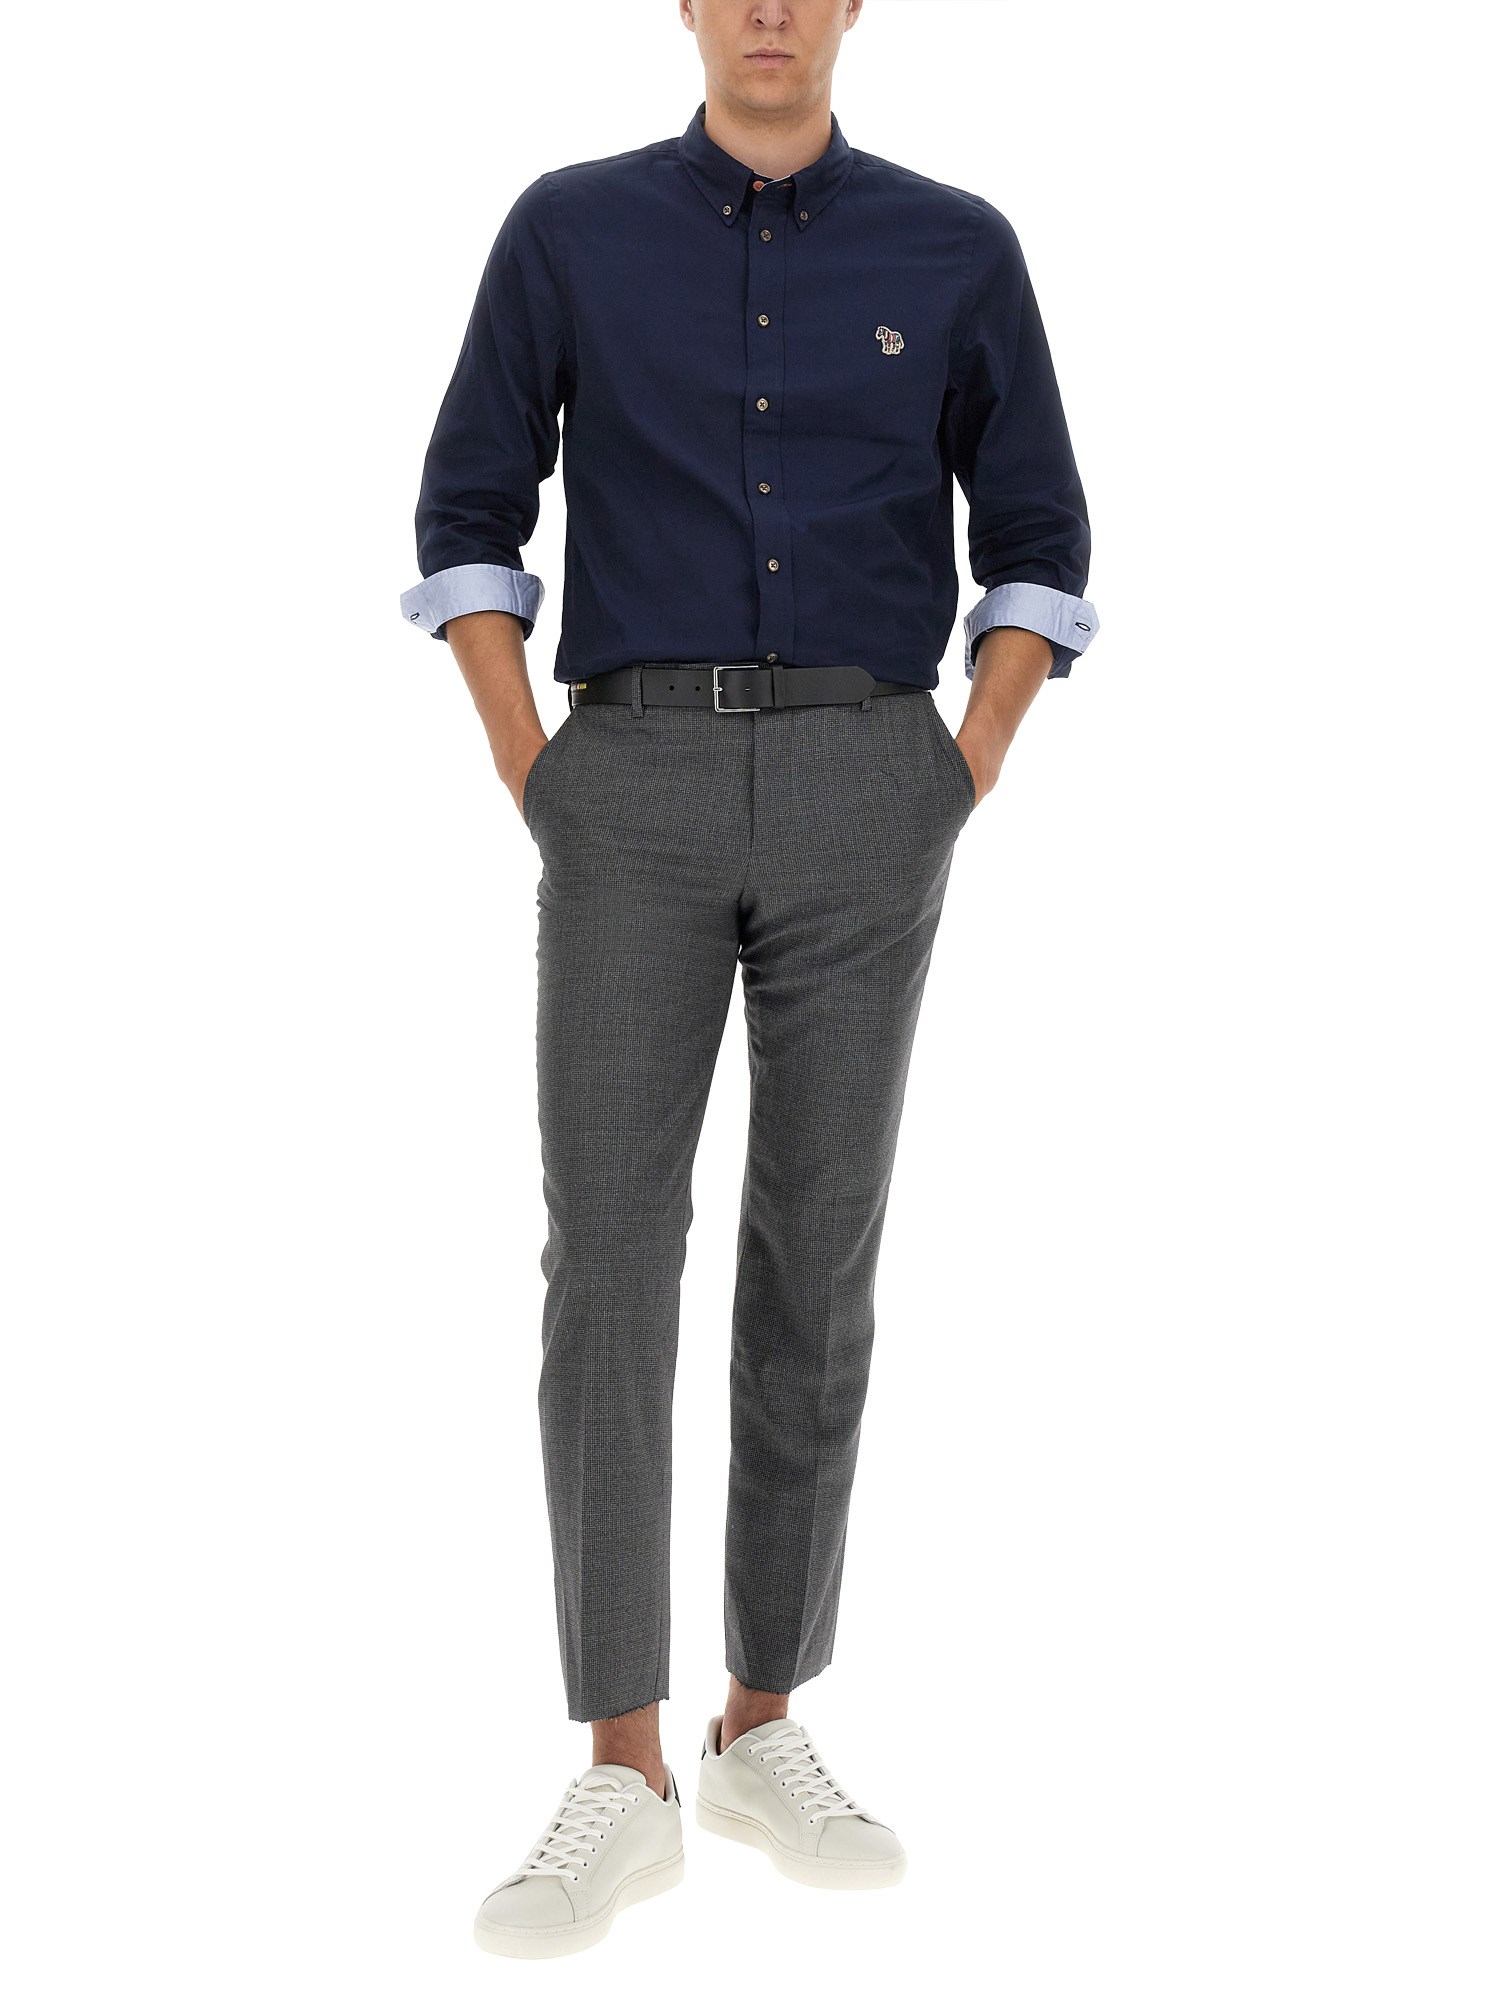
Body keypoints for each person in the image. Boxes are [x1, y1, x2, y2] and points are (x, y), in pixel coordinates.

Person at [399, 0, 1097, 1959]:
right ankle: (621, 1766)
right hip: (627, 772)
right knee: (610, 1253)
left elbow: (1039, 534)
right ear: (690, 5)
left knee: (820, 1241)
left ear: (854, 3)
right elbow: (466, 510)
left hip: (874, 773)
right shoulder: (568, 227)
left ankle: (760, 1720)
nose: (771, 8)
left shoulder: (957, 246)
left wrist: (957, 769)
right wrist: (539, 769)